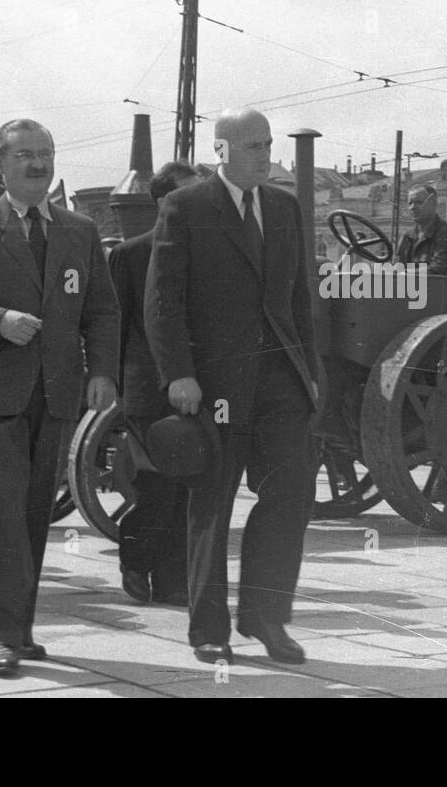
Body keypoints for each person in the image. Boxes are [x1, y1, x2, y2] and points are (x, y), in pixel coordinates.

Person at [0, 118, 119, 677]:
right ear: (0, 165)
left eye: (47, 153)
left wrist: (101, 371)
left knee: (33, 513)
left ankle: (20, 629)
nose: (39, 164)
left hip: (55, 392)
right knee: (0, 507)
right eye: (26, 155)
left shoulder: (79, 230)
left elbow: (102, 310)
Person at [147, 107, 319, 666]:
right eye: (252, 146)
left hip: (281, 385)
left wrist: (311, 378)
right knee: (212, 506)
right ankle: (209, 630)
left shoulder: (286, 208)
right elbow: (163, 302)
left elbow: (299, 304)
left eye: (268, 144)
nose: (265, 154)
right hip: (215, 385)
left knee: (290, 498)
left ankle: (267, 618)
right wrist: (179, 375)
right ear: (220, 150)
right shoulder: (186, 206)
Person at [110, 161, 199, 607]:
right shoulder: (129, 256)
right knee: (159, 483)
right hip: (147, 390)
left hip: (200, 391)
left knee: (187, 486)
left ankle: (172, 582)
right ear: (165, 202)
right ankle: (135, 555)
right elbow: (115, 326)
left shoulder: (213, 252)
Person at [395, 183, 447, 277]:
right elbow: (397, 267)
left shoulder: (446, 235)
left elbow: (438, 271)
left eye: (419, 202)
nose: (412, 207)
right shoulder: (407, 237)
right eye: (410, 203)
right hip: (413, 288)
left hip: (441, 289)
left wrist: (403, 274)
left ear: (433, 204)